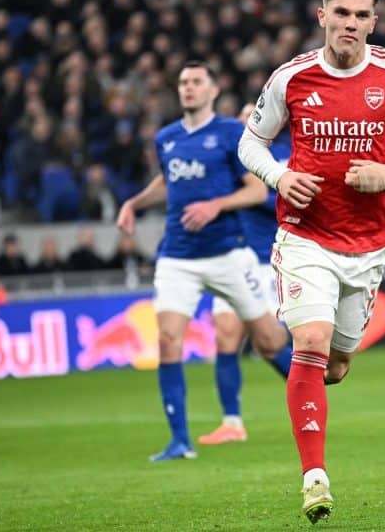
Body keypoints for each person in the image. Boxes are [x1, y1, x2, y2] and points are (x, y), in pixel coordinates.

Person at [237, 0, 385, 523]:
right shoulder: (291, 78)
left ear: (373, 22)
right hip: (305, 235)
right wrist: (279, 177)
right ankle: (314, 477)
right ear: (322, 16)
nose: (350, 24)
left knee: (334, 365)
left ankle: (315, 379)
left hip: (369, 243)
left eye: (361, 16)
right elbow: (250, 144)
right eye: (341, 14)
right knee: (309, 338)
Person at [116, 62, 290, 462]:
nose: (188, 88)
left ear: (213, 90)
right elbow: (168, 180)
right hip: (178, 255)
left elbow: (253, 191)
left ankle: (310, 396)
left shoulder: (233, 133)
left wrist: (216, 205)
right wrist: (135, 203)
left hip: (229, 253)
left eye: (196, 82)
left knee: (269, 341)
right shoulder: (167, 138)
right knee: (167, 340)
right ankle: (180, 440)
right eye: (182, 82)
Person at [199, 104, 294, 446]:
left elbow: (287, 199)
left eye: (251, 115)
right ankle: (232, 422)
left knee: (269, 343)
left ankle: (309, 392)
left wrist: (244, 196)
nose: (245, 121)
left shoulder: (284, 157)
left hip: (265, 258)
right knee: (226, 336)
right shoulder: (227, 159)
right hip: (229, 257)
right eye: (241, 116)